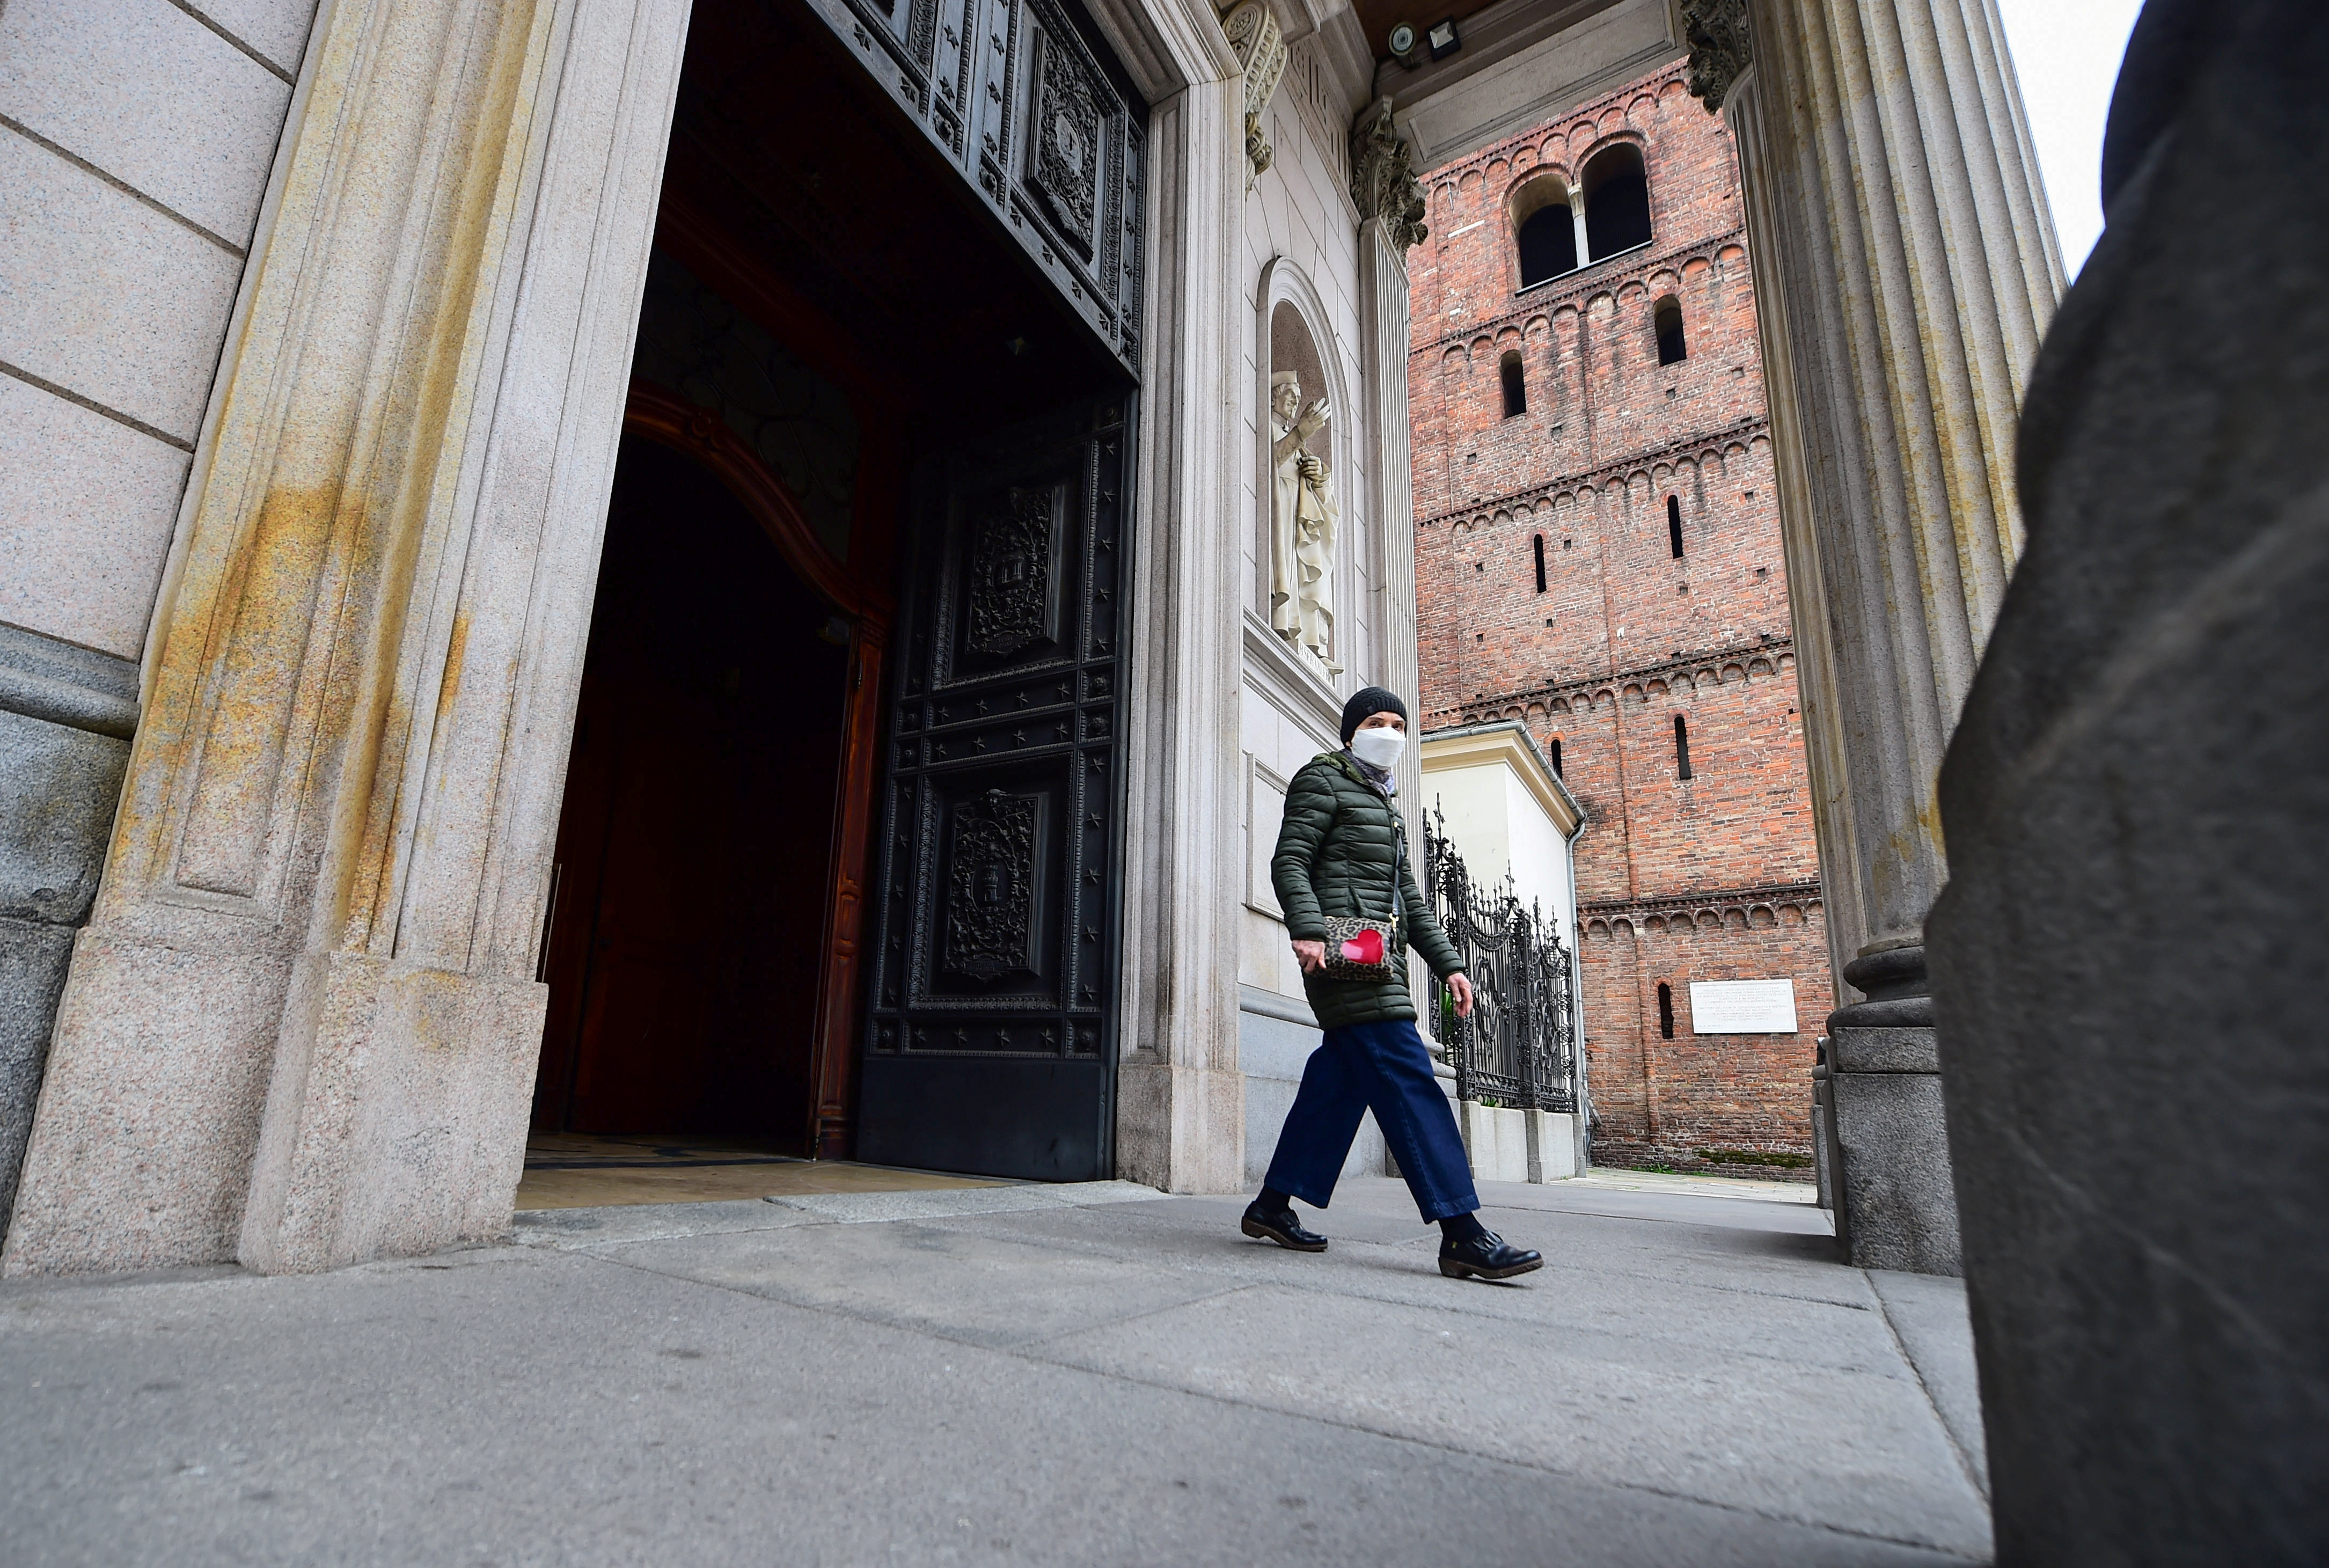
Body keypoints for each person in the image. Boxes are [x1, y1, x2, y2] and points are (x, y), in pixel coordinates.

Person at [1242, 687, 1544, 1281]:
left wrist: (1450, 964)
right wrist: (1304, 930)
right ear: (1350, 731)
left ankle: (1272, 1205)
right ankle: (1461, 1233)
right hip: (1340, 954)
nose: (1389, 731)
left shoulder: (1385, 804)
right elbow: (1289, 861)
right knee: (1410, 1080)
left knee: (1340, 1081)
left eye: (1399, 723)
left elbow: (1409, 899)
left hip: (1376, 957)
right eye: (1376, 722)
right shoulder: (1321, 781)